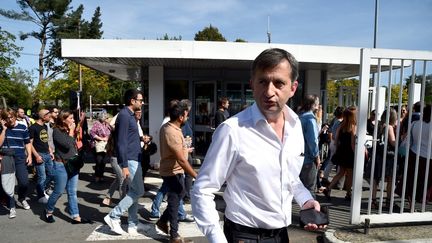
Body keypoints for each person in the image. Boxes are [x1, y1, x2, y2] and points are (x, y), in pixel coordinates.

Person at [191, 48, 325, 243]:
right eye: (263, 81)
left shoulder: (295, 125)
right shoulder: (232, 130)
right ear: (252, 84)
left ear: (293, 88)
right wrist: (217, 238)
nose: (269, 91)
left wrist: (305, 200)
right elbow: (202, 190)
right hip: (244, 236)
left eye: (279, 83)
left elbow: (290, 177)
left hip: (281, 234)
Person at [104, 89, 145, 236]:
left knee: (134, 191)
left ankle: (133, 224)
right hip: (130, 160)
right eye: (140, 100)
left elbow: (130, 138)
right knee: (138, 191)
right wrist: (125, 165)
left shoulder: (131, 116)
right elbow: (121, 143)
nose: (142, 103)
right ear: (132, 101)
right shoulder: (124, 116)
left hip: (136, 158)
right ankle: (113, 216)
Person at [155, 100, 198, 243]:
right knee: (174, 201)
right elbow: (181, 160)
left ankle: (162, 222)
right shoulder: (172, 132)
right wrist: (196, 175)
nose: (187, 118)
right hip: (172, 171)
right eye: (186, 115)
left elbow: (178, 151)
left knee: (180, 194)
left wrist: (185, 148)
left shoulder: (170, 127)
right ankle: (174, 236)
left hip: (173, 170)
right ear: (180, 117)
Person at [44, 110, 92, 224]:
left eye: (73, 118)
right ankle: (48, 211)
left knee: (72, 192)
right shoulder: (56, 131)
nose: (73, 120)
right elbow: (66, 144)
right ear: (63, 119)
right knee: (59, 191)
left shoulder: (69, 130)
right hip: (61, 165)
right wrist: (71, 131)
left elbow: (73, 146)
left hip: (72, 164)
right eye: (70, 118)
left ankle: (76, 216)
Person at [1, 108, 32, 216]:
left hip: (20, 157)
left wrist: (30, 155)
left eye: (12, 117)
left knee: (24, 182)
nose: (10, 120)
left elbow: (27, 143)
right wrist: (4, 129)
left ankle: (22, 198)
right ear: (4, 119)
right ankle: (12, 206)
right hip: (6, 158)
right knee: (8, 184)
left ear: (15, 116)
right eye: (7, 118)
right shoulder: (2, 128)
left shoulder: (23, 127)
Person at [323, 106, 357, 200]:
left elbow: (336, 139)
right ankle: (348, 193)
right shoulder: (353, 127)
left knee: (341, 172)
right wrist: (356, 155)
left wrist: (337, 151)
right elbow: (352, 143)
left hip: (341, 151)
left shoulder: (341, 126)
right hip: (349, 152)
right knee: (349, 174)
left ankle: (329, 188)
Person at [29, 109, 54, 204]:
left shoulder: (45, 126)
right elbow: (29, 144)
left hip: (47, 154)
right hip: (39, 154)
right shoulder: (33, 128)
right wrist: (36, 156)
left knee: (51, 174)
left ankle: (40, 188)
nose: (50, 117)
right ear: (44, 117)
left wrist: (50, 151)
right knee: (42, 177)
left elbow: (45, 141)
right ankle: (41, 195)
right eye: (49, 116)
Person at [298, 94, 321, 198]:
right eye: (317, 103)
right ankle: (310, 214)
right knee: (310, 189)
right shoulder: (310, 119)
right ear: (313, 105)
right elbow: (313, 141)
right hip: (308, 158)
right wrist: (316, 156)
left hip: (298, 157)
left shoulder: (299, 117)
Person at [90, 112, 112, 183]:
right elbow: (92, 133)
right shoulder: (97, 124)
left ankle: (101, 175)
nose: (107, 119)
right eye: (106, 117)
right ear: (102, 117)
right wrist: (101, 138)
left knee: (104, 161)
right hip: (98, 145)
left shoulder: (107, 125)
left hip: (106, 145)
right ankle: (97, 176)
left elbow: (111, 132)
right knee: (99, 161)